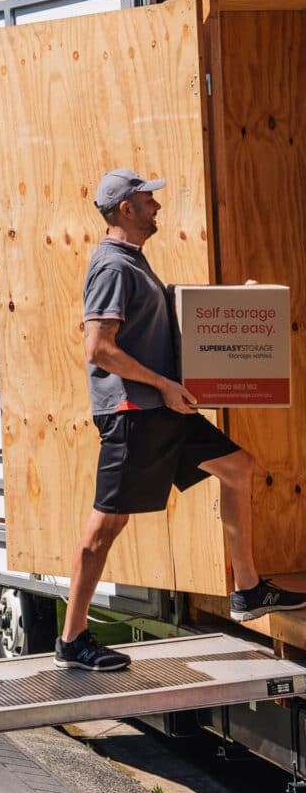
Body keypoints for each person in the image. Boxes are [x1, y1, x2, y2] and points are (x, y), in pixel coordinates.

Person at [55, 169, 306, 673]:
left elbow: (168, 317)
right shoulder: (112, 266)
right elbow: (98, 348)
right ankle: (72, 639)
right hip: (135, 414)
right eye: (148, 199)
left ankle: (248, 589)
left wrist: (238, 301)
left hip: (163, 409)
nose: (157, 206)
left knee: (238, 467)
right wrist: (163, 385)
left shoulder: (133, 260)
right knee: (106, 526)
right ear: (126, 209)